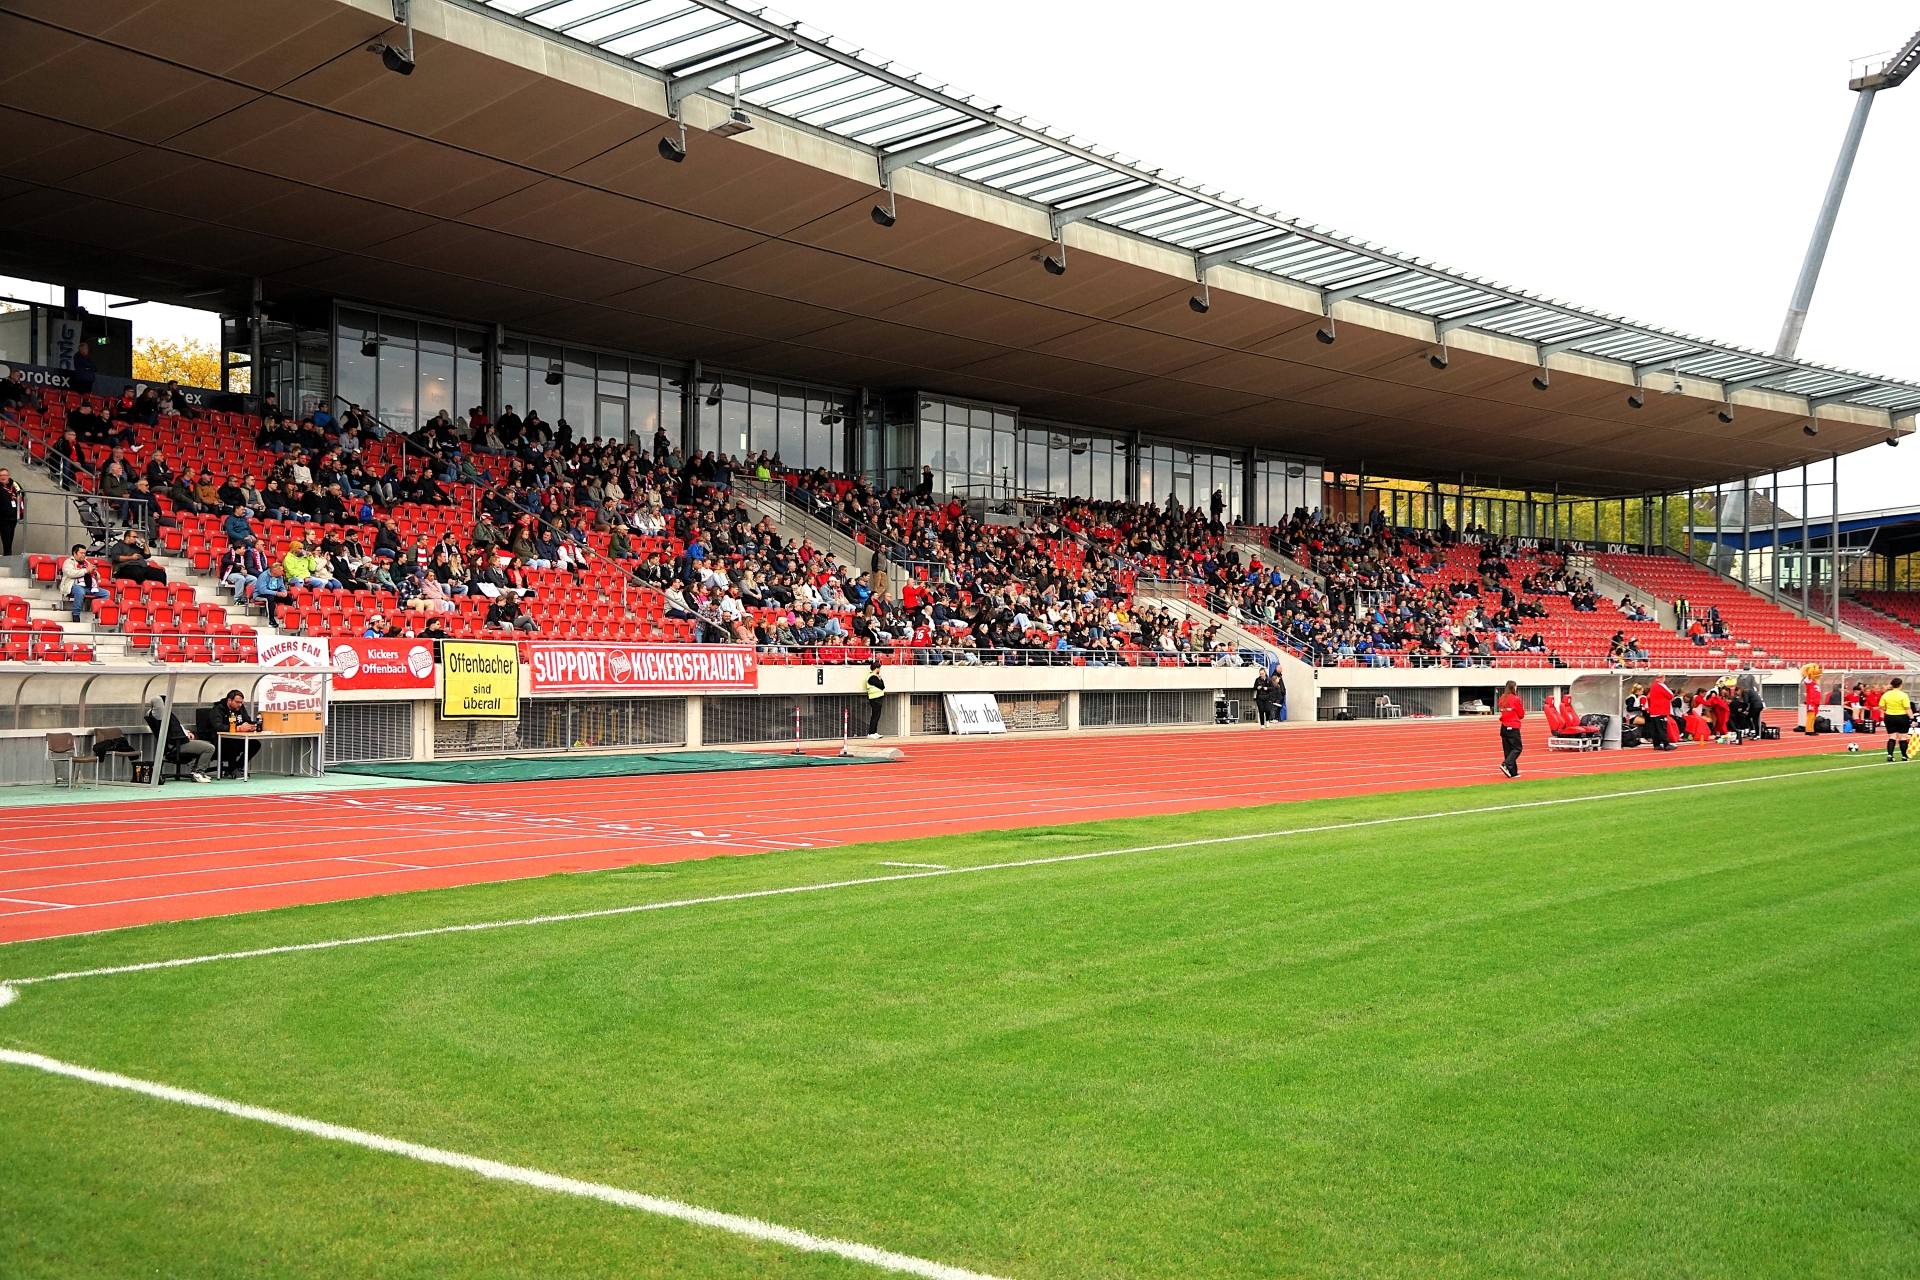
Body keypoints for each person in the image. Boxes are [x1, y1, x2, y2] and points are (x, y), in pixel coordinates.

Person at [145, 696, 215, 783]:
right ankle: (198, 773)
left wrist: (187, 732)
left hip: (179, 742)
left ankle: (195, 770)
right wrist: (163, 698)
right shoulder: (160, 715)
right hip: (178, 744)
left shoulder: (164, 716)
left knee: (207, 743)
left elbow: (177, 728)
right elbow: (157, 700)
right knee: (210, 748)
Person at [197, 689, 262, 779]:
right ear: (229, 700)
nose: (240, 705)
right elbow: (218, 727)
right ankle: (232, 769)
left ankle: (238, 767)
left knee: (255, 744)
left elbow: (247, 720)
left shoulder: (240, 708)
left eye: (241, 702)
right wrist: (238, 728)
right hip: (216, 739)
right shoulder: (217, 710)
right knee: (231, 743)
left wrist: (252, 726)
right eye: (237, 702)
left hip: (236, 738)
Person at [59, 544, 107, 621]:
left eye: (84, 553)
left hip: (89, 586)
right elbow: (71, 573)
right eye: (81, 553)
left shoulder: (87, 562)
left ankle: (98, 613)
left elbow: (98, 577)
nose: (83, 555)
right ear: (74, 553)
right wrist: (86, 570)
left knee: (106, 593)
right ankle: (76, 614)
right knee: (80, 591)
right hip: (74, 585)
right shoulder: (68, 562)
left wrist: (95, 573)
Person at [1497, 678, 1525, 778]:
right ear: (1513, 688)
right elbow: (1521, 714)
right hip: (1513, 726)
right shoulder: (1515, 699)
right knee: (1517, 748)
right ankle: (1506, 764)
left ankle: (1513, 772)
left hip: (1504, 727)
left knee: (1508, 750)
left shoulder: (1501, 699)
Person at [1881, 677, 1912, 763]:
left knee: (1892, 737)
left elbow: (1881, 706)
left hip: (1890, 717)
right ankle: (1904, 756)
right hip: (1901, 717)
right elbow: (1907, 708)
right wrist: (1912, 718)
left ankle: (1890, 755)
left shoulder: (1886, 694)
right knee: (1903, 738)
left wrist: (1887, 710)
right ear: (1900, 685)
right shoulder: (1903, 695)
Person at [1645, 675, 1676, 751]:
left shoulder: (1653, 685)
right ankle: (1666, 744)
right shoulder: (1661, 685)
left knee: (1655, 729)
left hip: (1653, 711)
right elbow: (1670, 695)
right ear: (1662, 678)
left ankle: (1656, 744)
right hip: (1660, 710)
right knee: (1662, 728)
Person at [0, 467, 22, 556]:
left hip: (13, 517)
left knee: (9, 538)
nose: (3, 477)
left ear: (9, 476)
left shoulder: (15, 485)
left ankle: (7, 556)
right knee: (6, 538)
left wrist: (21, 513)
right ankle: (7, 555)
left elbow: (22, 496)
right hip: (2, 517)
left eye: (5, 475)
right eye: (1, 475)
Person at [863, 660, 886, 738]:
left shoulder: (873, 676)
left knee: (876, 715)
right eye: (879, 668)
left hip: (876, 698)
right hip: (875, 698)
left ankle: (874, 731)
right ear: (876, 668)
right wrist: (881, 679)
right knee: (875, 716)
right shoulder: (872, 677)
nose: (879, 670)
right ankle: (871, 733)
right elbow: (882, 686)